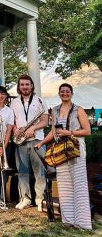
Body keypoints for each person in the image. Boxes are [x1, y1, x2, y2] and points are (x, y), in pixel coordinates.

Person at [35, 83, 92, 230]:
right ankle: (68, 220)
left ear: (71, 93)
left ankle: (83, 222)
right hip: (61, 150)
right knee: (64, 186)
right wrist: (42, 142)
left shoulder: (78, 109)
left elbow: (87, 131)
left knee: (78, 185)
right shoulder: (54, 110)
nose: (65, 93)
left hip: (76, 149)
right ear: (59, 93)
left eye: (67, 91)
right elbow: (53, 131)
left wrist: (69, 133)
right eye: (62, 91)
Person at [11, 75, 48, 211]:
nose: (25, 87)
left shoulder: (40, 101)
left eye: (27, 84)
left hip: (37, 140)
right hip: (20, 141)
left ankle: (40, 199)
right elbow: (12, 121)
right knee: (22, 171)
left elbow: (45, 121)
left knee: (39, 171)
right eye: (22, 85)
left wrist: (33, 128)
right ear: (19, 87)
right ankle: (25, 198)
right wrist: (16, 130)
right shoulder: (14, 102)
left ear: (32, 85)